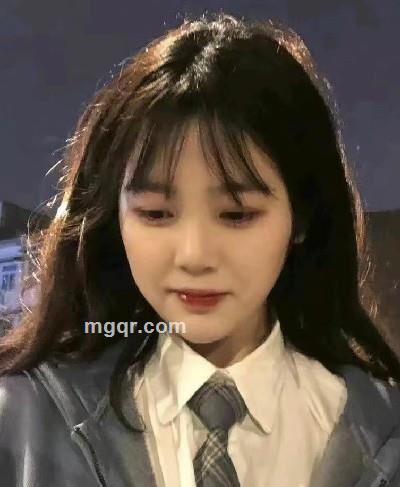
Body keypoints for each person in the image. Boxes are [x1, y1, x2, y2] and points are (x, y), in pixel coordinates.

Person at [1, 12, 399, 487]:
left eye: (237, 215)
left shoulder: (383, 431)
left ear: (303, 217)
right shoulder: (25, 419)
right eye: (155, 213)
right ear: (114, 217)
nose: (194, 255)